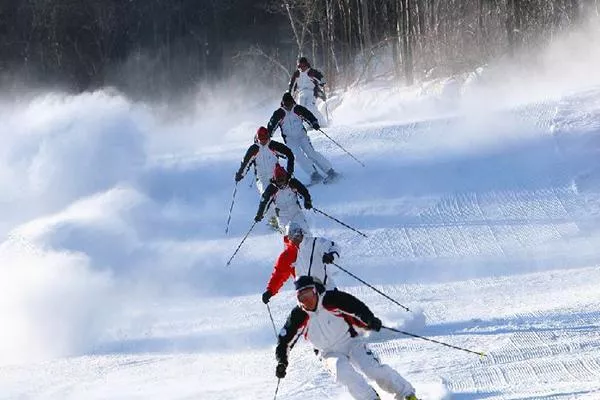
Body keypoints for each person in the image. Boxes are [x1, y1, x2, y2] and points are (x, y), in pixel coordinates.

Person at [274, 275, 419, 400]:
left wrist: (369, 319)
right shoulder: (298, 316)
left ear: (315, 291)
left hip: (350, 341)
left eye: (309, 295)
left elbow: (355, 307)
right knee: (342, 372)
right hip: (327, 353)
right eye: (302, 297)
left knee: (372, 368)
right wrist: (282, 362)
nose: (307, 301)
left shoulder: (330, 299)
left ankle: (406, 394)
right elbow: (284, 342)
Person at [267, 92, 339, 185]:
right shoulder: (279, 113)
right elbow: (271, 124)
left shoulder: (297, 109)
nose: (288, 106)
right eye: (286, 104)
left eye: (290, 104)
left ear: (292, 102)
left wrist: (314, 122)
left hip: (302, 136)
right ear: (283, 103)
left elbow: (308, 115)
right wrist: (268, 134)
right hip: (290, 140)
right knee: (298, 156)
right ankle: (314, 175)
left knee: (311, 153)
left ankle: (330, 171)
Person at [261, 222, 339, 304]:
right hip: (307, 295)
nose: (296, 239)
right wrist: (270, 291)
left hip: (327, 288)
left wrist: (332, 255)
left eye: (298, 235)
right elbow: (279, 274)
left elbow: (333, 246)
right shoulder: (287, 256)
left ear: (302, 233)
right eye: (292, 236)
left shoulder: (314, 243)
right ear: (288, 238)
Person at [235, 126, 295, 195]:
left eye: (265, 139)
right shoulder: (254, 149)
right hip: (262, 178)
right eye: (261, 139)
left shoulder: (273, 146)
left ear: (268, 137)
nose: (263, 141)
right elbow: (245, 163)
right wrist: (240, 174)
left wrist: (289, 170)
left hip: (276, 176)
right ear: (258, 138)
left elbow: (289, 154)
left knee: (280, 196)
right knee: (267, 195)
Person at [254, 165, 312, 234]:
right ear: (275, 179)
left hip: (296, 212)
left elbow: (304, 191)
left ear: (285, 178)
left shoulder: (292, 183)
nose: (281, 183)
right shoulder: (272, 188)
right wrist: (260, 214)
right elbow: (264, 202)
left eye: (282, 180)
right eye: (278, 181)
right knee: (288, 235)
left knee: (305, 231)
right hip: (282, 215)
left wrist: (307, 201)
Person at [288, 56, 327, 125]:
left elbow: (322, 79)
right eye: (301, 66)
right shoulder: (297, 74)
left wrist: (322, 82)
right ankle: (306, 124)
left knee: (310, 107)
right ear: (298, 65)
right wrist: (290, 91)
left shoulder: (312, 72)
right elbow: (291, 83)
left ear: (307, 65)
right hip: (301, 93)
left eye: (304, 65)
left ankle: (322, 122)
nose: (302, 67)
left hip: (312, 92)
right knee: (301, 108)